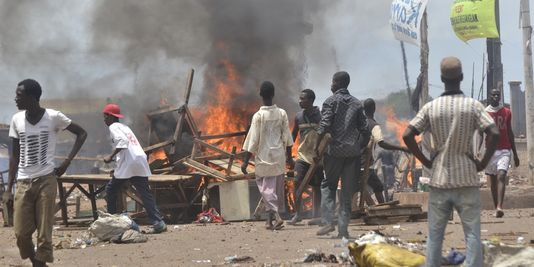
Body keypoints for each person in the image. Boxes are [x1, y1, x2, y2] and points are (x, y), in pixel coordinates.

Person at [403, 57, 499, 267]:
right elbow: (493, 132)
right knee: (472, 234)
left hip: (440, 179)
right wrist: (482, 163)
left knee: (435, 236)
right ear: (461, 78)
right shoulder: (472, 106)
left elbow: (408, 134)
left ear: (441, 78)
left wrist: (426, 160)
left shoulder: (431, 107)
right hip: (467, 178)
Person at [4, 79, 87, 266]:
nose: (15, 99)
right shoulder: (16, 119)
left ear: (32, 97)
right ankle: (37, 262)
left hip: (46, 180)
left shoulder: (53, 116)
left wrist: (66, 162)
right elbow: (14, 158)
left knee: (44, 234)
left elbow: (82, 133)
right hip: (24, 181)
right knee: (21, 234)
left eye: (19, 95)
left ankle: (39, 263)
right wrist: (9, 189)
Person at [315, 71, 370, 238]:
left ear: (337, 83)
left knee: (328, 186)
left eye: (332, 82)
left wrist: (316, 148)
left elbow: (324, 126)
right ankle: (343, 230)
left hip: (334, 153)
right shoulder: (357, 104)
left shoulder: (330, 102)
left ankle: (328, 221)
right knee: (347, 192)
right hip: (352, 154)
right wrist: (359, 147)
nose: (331, 85)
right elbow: (365, 129)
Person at [102, 103, 167, 234]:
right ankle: (158, 222)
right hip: (139, 159)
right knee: (145, 192)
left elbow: (123, 143)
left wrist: (110, 156)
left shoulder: (114, 127)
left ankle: (113, 222)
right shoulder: (125, 127)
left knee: (111, 189)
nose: (104, 120)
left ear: (110, 116)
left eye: (105, 116)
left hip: (129, 163)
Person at [241, 81, 294, 230]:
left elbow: (253, 140)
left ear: (260, 95)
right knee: (274, 189)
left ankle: (277, 216)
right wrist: (289, 158)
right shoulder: (282, 113)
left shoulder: (258, 116)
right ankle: (269, 221)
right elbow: (287, 138)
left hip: (264, 158)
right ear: (273, 94)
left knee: (266, 189)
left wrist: (245, 162)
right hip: (278, 157)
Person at [361, 98, 409, 204]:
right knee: (376, 187)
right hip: (365, 163)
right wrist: (401, 148)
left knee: (373, 186)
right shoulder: (374, 125)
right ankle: (379, 209)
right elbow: (382, 143)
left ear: (364, 109)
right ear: (374, 109)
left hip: (357, 161)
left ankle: (376, 208)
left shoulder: (360, 123)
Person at [482, 89, 520, 218]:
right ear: (490, 97)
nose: (496, 97)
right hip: (490, 150)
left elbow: (509, 132)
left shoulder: (507, 112)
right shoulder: (485, 113)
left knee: (501, 175)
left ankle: (500, 206)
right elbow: (481, 133)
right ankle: (496, 207)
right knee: (492, 181)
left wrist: (515, 153)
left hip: (505, 149)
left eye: (498, 95)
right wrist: (477, 150)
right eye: (493, 95)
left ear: (500, 97)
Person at [288, 89, 323, 225]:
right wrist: (289, 154)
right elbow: (293, 136)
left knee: (317, 186)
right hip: (302, 156)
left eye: (303, 99)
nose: (300, 101)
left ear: (311, 100)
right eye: (300, 98)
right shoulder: (298, 116)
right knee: (297, 183)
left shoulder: (320, 116)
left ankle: (317, 214)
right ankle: (298, 214)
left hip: (317, 158)